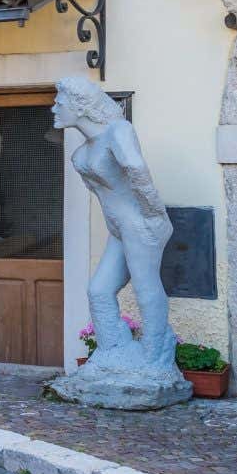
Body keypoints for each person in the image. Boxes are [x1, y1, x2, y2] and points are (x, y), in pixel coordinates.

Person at [51, 76, 177, 378]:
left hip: (139, 224)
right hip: (119, 227)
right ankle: (112, 349)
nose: (53, 107)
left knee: (146, 289)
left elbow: (137, 169)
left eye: (60, 102)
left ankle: (154, 356)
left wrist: (153, 214)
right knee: (98, 290)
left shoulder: (118, 131)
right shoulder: (82, 151)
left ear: (80, 106)